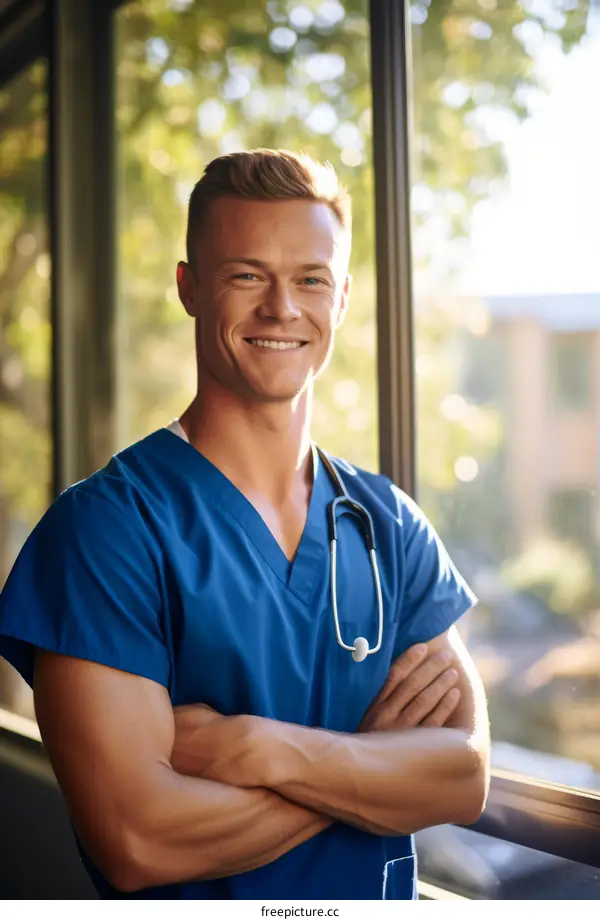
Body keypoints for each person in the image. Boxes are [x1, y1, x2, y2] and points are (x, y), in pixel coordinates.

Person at [0, 148, 489, 900]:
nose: (282, 308)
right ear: (190, 288)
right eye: (247, 275)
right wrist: (373, 764)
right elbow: (139, 840)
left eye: (310, 280)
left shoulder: (387, 524)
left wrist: (266, 750)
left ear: (344, 299)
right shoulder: (106, 531)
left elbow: (461, 777)